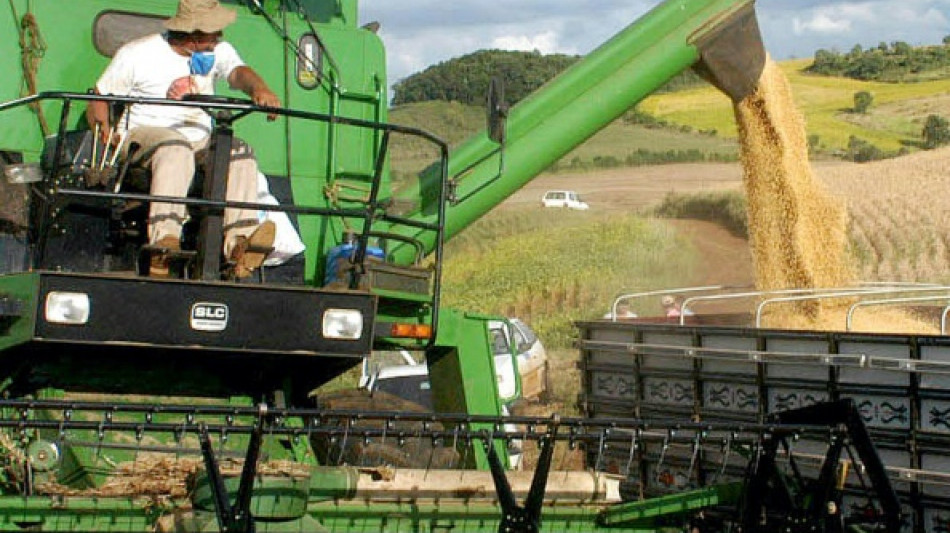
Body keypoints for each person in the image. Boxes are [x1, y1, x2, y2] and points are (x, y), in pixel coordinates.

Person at [86, 0, 282, 278]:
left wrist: (259, 89)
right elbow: (99, 97)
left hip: (198, 140)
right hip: (146, 136)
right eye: (214, 32)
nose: (219, 37)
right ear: (193, 37)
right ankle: (164, 243)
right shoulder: (138, 53)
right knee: (175, 147)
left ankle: (239, 247)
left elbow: (239, 73)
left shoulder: (217, 51)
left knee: (239, 152)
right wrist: (107, 136)